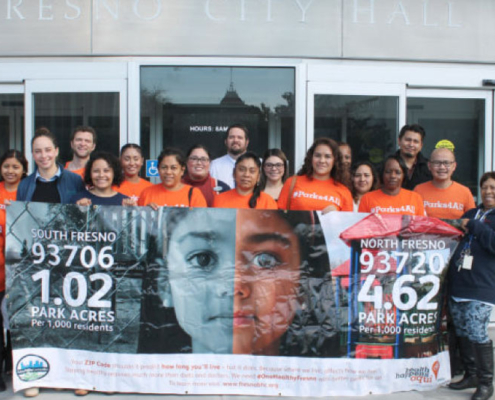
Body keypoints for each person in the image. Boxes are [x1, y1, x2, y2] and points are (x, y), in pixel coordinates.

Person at [448, 172, 495, 400]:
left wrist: (475, 226)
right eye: (485, 187)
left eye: (493, 188)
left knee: (477, 331)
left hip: (482, 285)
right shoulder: (471, 212)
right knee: (463, 331)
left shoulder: (478, 219)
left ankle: (486, 383)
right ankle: (471, 374)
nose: (488, 192)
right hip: (460, 283)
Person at [0, 150, 27, 392]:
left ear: (23, 170)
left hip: (20, 271)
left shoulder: (28, 192)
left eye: (15, 167)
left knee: (19, 320)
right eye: (6, 166)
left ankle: (14, 366)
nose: (10, 170)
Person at [277, 138, 353, 212]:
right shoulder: (292, 182)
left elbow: (348, 223)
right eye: (317, 155)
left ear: (335, 161)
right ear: (311, 158)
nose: (322, 160)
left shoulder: (344, 192)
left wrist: (336, 216)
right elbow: (279, 217)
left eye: (327, 156)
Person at [17, 127, 85, 204]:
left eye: (48, 150)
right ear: (33, 154)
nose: (43, 155)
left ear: (56, 151)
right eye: (38, 151)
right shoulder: (24, 185)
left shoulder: (75, 180)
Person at [414, 147, 475, 219]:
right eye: (437, 163)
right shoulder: (418, 191)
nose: (442, 167)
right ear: (429, 166)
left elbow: (471, 222)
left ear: (454, 166)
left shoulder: (465, 192)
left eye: (446, 163)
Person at [138, 148, 207, 209]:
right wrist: (147, 212)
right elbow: (139, 222)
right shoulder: (147, 194)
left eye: (173, 168)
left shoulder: (194, 195)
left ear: (182, 170)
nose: (168, 172)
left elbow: (201, 222)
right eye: (164, 167)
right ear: (158, 169)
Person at [359, 155, 425, 216]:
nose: (393, 176)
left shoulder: (415, 198)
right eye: (388, 171)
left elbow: (420, 226)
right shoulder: (367, 199)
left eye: (398, 172)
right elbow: (362, 227)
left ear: (403, 175)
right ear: (382, 173)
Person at [213, 152, 277, 210]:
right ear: (234, 173)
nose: (246, 175)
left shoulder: (267, 202)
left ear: (258, 177)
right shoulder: (219, 200)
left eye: (252, 171)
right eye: (242, 170)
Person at [210, 124, 249, 188]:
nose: (235, 140)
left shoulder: (259, 164)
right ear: (226, 141)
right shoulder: (214, 166)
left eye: (240, 137)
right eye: (231, 137)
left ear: (247, 142)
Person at [396, 124, 432, 190]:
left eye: (416, 141)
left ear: (421, 145)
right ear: (399, 141)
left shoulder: (430, 168)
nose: (411, 144)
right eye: (408, 140)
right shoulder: (387, 166)